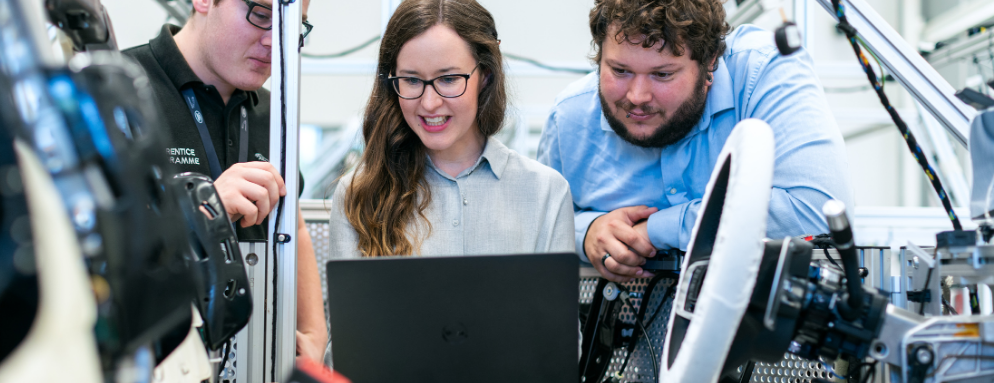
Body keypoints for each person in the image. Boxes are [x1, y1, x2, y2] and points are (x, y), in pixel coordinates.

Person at [537, 0, 853, 282]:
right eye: (620, 70)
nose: (637, 96)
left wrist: (655, 230)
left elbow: (817, 210)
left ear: (710, 61)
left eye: (662, 75)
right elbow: (538, 229)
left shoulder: (764, 71)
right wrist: (588, 232)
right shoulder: (569, 118)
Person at [121, 0, 327, 362]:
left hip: (255, 358)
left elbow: (293, 224)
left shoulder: (273, 113)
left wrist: (314, 331)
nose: (274, 41)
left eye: (291, 26)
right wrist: (203, 211)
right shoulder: (120, 90)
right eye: (261, 15)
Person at [329, 0, 574, 258]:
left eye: (448, 79)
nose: (429, 103)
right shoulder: (357, 196)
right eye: (411, 80)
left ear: (486, 75)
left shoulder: (546, 192)